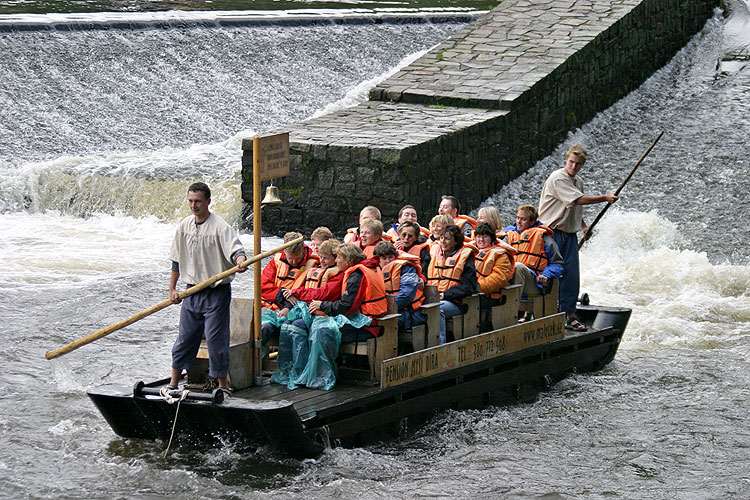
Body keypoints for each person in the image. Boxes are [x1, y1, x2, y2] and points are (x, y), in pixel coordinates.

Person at [165, 182, 247, 393]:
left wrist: (240, 261)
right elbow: (176, 261)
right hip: (191, 291)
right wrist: (172, 289)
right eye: (190, 201)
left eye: (198, 201)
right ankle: (173, 383)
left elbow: (236, 249)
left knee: (215, 339)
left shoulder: (220, 227)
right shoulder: (184, 226)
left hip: (216, 292)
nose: (193, 205)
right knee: (185, 338)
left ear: (208, 201)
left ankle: (222, 385)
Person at [272, 244, 387, 389]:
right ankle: (304, 373)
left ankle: (321, 376)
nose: (337, 261)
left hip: (366, 325)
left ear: (348, 259)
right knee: (308, 325)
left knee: (321, 330)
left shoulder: (357, 274)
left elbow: (346, 306)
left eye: (339, 257)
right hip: (362, 319)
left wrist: (322, 306)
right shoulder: (363, 269)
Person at [538, 144, 617, 331]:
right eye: (571, 162)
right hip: (552, 233)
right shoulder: (558, 178)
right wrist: (605, 197)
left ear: (582, 165)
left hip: (569, 234)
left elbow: (574, 206)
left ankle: (569, 314)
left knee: (571, 275)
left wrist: (583, 227)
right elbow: (577, 199)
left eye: (578, 164)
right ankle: (546, 313)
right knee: (551, 273)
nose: (574, 167)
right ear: (566, 160)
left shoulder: (578, 181)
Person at [505, 205, 564, 319]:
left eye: (523, 219)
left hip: (536, 282)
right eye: (517, 218)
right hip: (510, 279)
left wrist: (546, 274)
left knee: (518, 266)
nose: (519, 222)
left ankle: (512, 316)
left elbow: (558, 264)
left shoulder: (544, 238)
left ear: (532, 222)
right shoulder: (508, 236)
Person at [259, 232, 318, 347]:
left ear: (302, 250)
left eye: (297, 258)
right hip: (272, 308)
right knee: (263, 328)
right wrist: (282, 294)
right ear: (284, 251)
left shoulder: (313, 265)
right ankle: (256, 359)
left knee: (292, 330)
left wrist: (288, 306)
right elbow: (262, 286)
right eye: (291, 258)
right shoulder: (276, 261)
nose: (294, 262)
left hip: (296, 312)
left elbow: (311, 292)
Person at [426, 224, 478, 344]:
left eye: (447, 239)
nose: (443, 242)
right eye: (442, 238)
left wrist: (446, 294)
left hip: (456, 302)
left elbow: (468, 287)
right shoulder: (434, 253)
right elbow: (424, 274)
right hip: (432, 298)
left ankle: (440, 347)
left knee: (436, 310)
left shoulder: (465, 258)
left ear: (456, 241)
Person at [373, 241, 426, 330]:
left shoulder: (407, 268)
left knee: (380, 326)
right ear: (378, 259)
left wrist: (385, 308)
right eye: (384, 258)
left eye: (390, 257)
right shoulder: (375, 271)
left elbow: (406, 295)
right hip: (387, 310)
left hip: (408, 313)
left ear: (395, 256)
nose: (388, 261)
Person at [473, 222, 516, 309]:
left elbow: (499, 278)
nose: (481, 240)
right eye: (478, 236)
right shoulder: (471, 251)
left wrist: (476, 287)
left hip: (488, 296)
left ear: (492, 238)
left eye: (485, 237)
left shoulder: (501, 254)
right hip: (470, 292)